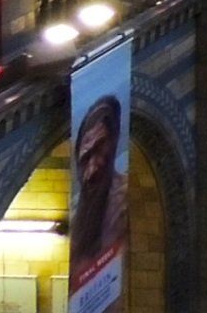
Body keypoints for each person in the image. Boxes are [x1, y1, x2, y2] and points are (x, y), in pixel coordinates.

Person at [68, 94, 130, 292]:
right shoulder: (79, 208)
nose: (93, 169)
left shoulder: (120, 202)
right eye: (87, 156)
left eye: (102, 154)